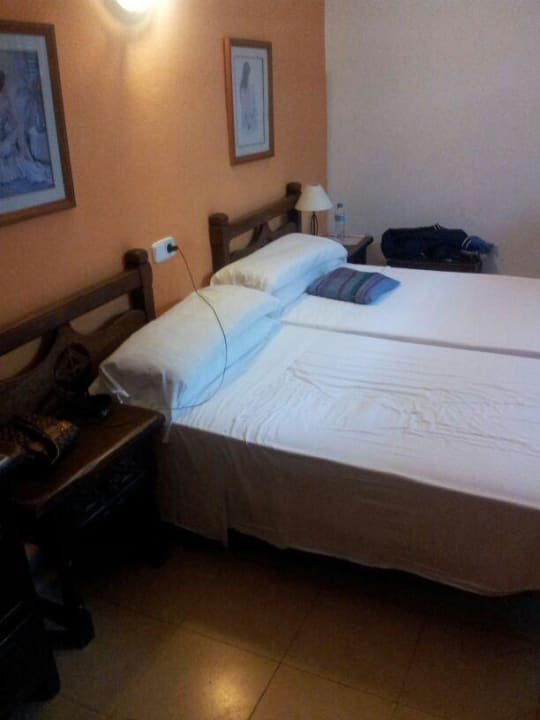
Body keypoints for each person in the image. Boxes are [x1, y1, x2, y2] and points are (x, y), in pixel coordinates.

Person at [239, 61, 257, 132]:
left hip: (250, 110)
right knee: (248, 128)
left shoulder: (250, 82)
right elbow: (243, 101)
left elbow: (253, 98)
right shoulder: (243, 84)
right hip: (247, 111)